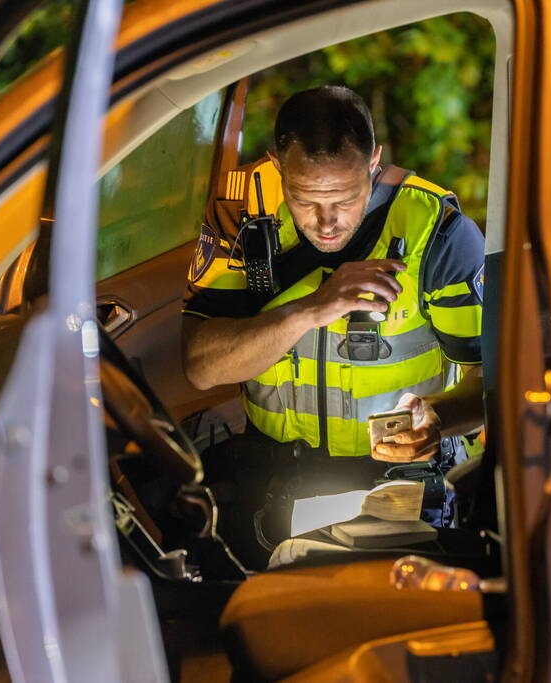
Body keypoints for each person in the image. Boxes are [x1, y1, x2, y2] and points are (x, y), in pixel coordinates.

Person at [181, 85, 484, 564]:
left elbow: (494, 379)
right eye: (304, 200)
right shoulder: (243, 209)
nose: (326, 222)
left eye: (344, 198)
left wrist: (439, 420)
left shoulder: (434, 229)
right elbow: (200, 367)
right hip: (271, 473)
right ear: (277, 167)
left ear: (373, 163)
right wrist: (313, 308)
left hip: (398, 484)